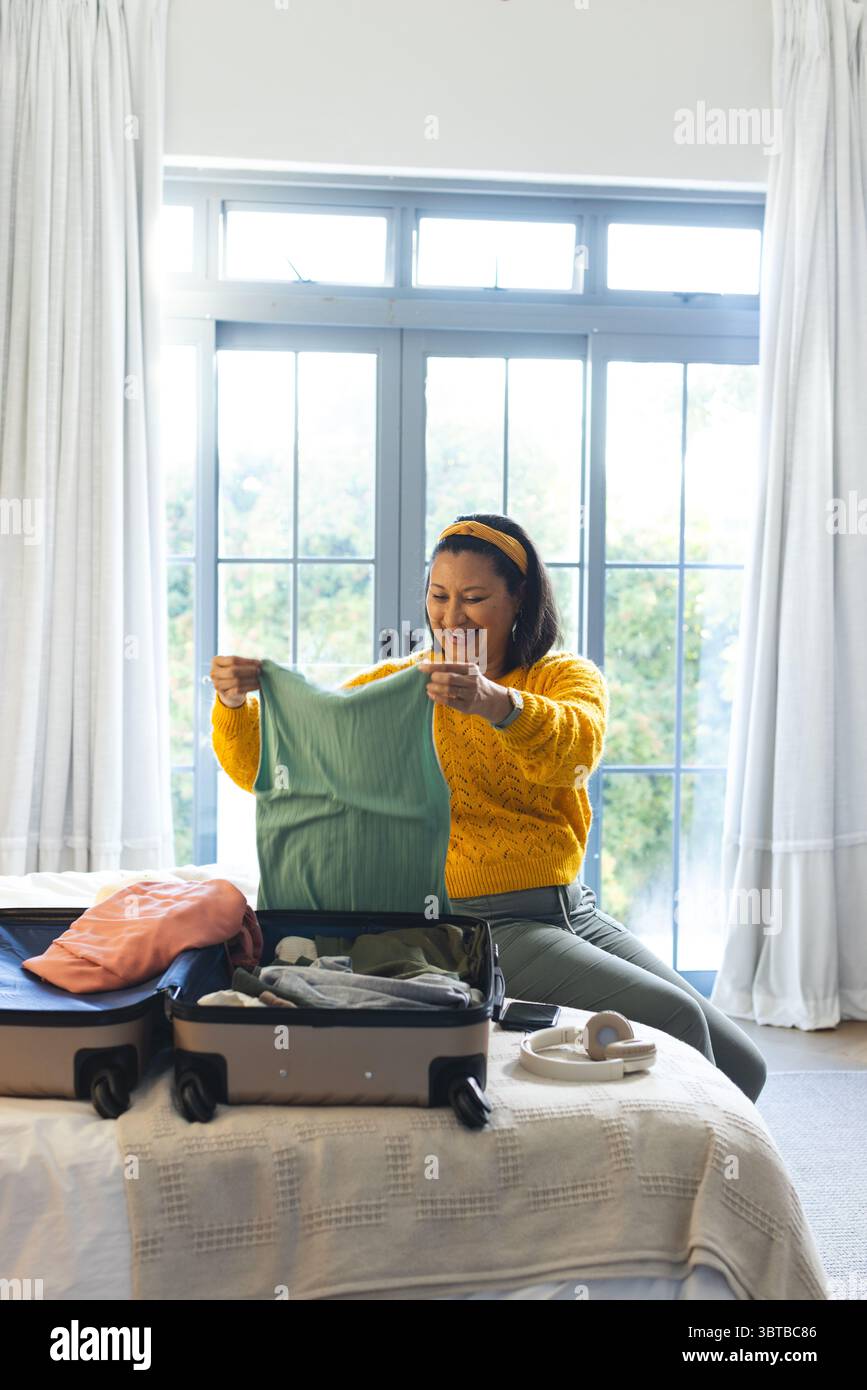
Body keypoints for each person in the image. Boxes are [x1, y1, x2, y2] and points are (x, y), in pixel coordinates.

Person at [210, 512, 767, 1103]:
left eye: (473, 599)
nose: (451, 617)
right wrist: (236, 705)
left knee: (746, 1065)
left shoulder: (560, 677)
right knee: (679, 1019)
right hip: (481, 923)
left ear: (519, 598)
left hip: (571, 909)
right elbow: (269, 765)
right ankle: (680, 1153)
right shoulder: (404, 686)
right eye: (439, 596)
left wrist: (495, 703)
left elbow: (574, 753)